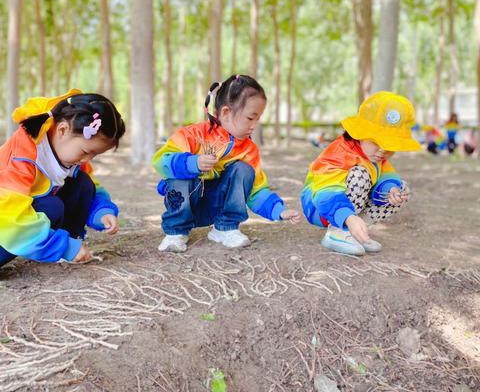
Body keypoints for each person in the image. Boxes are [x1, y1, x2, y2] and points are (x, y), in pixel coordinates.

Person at [152, 74, 301, 252]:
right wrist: (192, 163)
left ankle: (225, 228)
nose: (254, 125)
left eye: (257, 119)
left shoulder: (248, 149)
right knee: (181, 172)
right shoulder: (192, 135)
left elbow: (257, 188)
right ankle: (175, 232)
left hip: (218, 205)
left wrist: (278, 211)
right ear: (225, 113)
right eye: (250, 118)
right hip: (186, 203)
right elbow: (161, 161)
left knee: (244, 170)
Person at [0, 90, 125, 267]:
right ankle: (61, 248)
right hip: (6, 224)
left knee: (83, 183)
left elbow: (91, 189)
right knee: (51, 207)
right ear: (63, 129)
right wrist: (63, 246)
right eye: (85, 152)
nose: (87, 160)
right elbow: (10, 219)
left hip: (18, 223)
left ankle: (71, 246)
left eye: (94, 155)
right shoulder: (21, 157)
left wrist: (102, 212)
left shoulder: (71, 155)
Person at [301, 91, 421, 256]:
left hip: (347, 209)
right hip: (321, 206)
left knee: (400, 188)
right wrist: (348, 217)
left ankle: (357, 232)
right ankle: (338, 232)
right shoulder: (340, 151)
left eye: (390, 146)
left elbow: (386, 176)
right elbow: (325, 191)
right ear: (361, 134)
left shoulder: (376, 157)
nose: (382, 151)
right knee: (360, 175)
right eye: (376, 142)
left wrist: (391, 190)